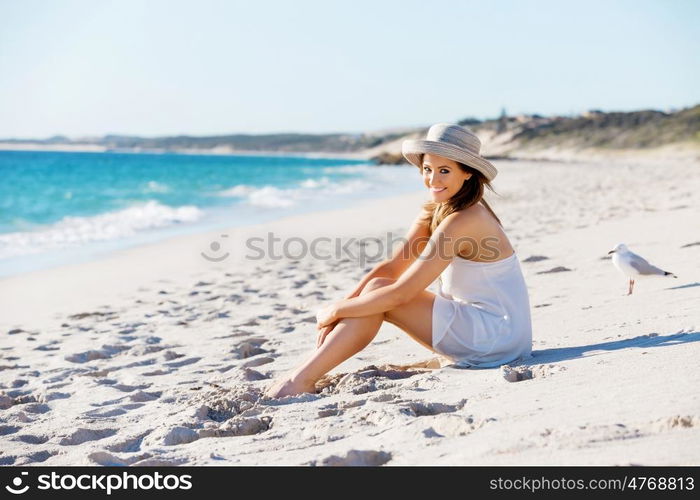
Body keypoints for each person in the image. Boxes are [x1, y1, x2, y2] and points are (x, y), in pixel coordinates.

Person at [265, 123, 532, 398]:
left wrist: (336, 311)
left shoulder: (465, 219)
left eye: (444, 171)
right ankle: (303, 375)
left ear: (467, 174)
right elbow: (392, 268)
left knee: (383, 296)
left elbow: (402, 293)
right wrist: (342, 308)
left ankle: (299, 380)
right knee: (378, 285)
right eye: (428, 169)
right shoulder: (437, 210)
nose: (433, 180)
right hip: (487, 328)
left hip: (498, 337)